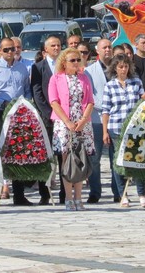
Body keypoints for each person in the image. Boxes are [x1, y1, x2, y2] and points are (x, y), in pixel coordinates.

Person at [0, 37, 33, 205]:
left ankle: (19, 195)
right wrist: (1, 102)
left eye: (12, 49)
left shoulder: (22, 68)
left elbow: (27, 89)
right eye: (5, 50)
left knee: (18, 152)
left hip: (19, 115)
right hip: (0, 113)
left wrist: (25, 103)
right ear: (0, 51)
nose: (9, 52)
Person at [48, 48, 95, 211]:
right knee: (67, 160)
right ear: (64, 62)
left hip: (82, 123)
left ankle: (78, 197)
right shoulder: (56, 78)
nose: (76, 62)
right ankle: (68, 197)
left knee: (80, 157)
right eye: (72, 60)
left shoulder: (84, 78)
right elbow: (54, 101)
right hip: (64, 123)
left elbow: (90, 101)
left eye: (78, 59)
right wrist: (67, 121)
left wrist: (82, 120)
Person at [101, 54, 145, 207]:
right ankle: (123, 194)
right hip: (116, 127)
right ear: (115, 68)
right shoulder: (110, 86)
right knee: (119, 162)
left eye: (126, 66)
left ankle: (141, 194)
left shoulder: (136, 82)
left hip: (135, 128)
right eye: (120, 66)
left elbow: (143, 100)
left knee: (138, 160)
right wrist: (104, 132)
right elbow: (106, 111)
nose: (123, 69)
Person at [30, 36, 63, 204]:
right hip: (47, 117)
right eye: (53, 46)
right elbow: (37, 92)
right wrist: (50, 113)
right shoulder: (38, 68)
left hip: (65, 118)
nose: (56, 48)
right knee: (46, 156)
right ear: (45, 50)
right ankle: (45, 193)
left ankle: (65, 193)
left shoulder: (66, 66)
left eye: (58, 45)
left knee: (63, 156)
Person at [84, 38, 114, 204]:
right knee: (94, 157)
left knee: (115, 156)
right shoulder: (89, 71)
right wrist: (104, 107)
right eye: (104, 47)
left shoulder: (118, 67)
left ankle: (118, 190)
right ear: (98, 50)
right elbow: (89, 95)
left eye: (110, 47)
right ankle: (95, 191)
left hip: (116, 117)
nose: (108, 50)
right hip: (96, 117)